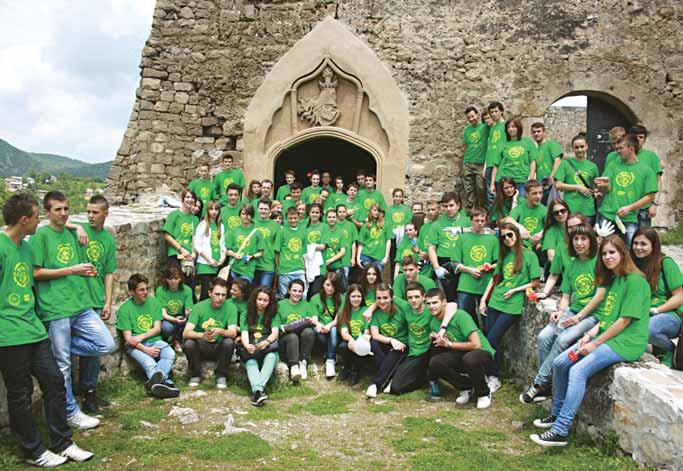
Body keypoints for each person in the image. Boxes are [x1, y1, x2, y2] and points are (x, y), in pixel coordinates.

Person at [0, 193, 94, 467]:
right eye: (36, 216)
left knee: (54, 381)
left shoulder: (27, 248)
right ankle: (33, 450)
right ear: (24, 220)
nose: (39, 220)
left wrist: (76, 226)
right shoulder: (2, 247)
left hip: (34, 328)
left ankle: (62, 442)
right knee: (20, 393)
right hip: (9, 334)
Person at [531, 235, 650, 447]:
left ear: (623, 253)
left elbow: (623, 322)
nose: (607, 257)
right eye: (604, 253)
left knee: (578, 371)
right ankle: (556, 414)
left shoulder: (636, 281)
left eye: (612, 252)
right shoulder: (615, 279)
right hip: (607, 336)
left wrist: (594, 344)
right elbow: (608, 317)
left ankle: (560, 430)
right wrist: (589, 335)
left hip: (626, 342)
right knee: (560, 363)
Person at [30, 191, 115, 430]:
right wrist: (72, 270)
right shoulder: (40, 236)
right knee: (64, 366)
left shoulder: (71, 231)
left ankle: (61, 349)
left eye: (67, 208)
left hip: (80, 305)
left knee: (105, 344)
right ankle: (70, 412)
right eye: (58, 209)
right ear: (47, 212)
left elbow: (77, 225)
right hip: (56, 308)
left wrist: (77, 227)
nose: (64, 213)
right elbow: (35, 273)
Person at [520, 224, 601, 404]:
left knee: (563, 339)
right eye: (576, 239)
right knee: (544, 336)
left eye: (583, 239)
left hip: (592, 315)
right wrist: (561, 311)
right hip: (572, 310)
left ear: (591, 241)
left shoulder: (598, 262)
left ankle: (539, 383)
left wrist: (578, 317)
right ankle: (546, 386)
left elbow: (599, 297)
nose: (579, 243)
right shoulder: (572, 264)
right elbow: (566, 295)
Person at [479, 223, 541, 393]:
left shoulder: (529, 256)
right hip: (495, 301)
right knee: (489, 339)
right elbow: (495, 279)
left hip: (512, 305)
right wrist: (484, 300)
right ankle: (491, 373)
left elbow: (535, 282)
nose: (507, 239)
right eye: (503, 236)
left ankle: (495, 376)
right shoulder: (504, 256)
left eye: (510, 235)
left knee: (492, 338)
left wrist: (515, 289)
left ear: (517, 235)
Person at [71, 195, 116, 413]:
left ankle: (89, 392)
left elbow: (109, 272)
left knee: (94, 351)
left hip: (96, 299)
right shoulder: (78, 229)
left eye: (95, 212)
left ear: (105, 213)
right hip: (76, 299)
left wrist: (108, 301)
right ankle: (72, 395)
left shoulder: (107, 239)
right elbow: (55, 222)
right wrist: (76, 227)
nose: (90, 216)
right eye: (88, 211)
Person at [426, 288, 495, 408]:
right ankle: (465, 387)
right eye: (428, 303)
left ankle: (484, 393)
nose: (432, 306)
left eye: (435, 302)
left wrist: (449, 344)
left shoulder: (461, 316)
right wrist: (435, 338)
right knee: (436, 362)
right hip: (461, 353)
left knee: (470, 359)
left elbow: (476, 345)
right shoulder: (434, 322)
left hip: (481, 352)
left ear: (443, 302)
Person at [117, 274, 179, 399]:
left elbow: (157, 329)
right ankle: (166, 383)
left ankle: (154, 384)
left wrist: (140, 337)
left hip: (154, 340)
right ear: (132, 292)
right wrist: (146, 350)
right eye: (141, 290)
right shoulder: (124, 309)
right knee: (149, 363)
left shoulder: (153, 302)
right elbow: (128, 339)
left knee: (170, 353)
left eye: (146, 289)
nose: (145, 292)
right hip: (135, 347)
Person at [630, 227, 683, 367]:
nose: (638, 248)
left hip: (670, 313)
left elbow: (679, 296)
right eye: (635, 243)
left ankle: (669, 349)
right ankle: (656, 347)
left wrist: (657, 310)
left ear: (653, 246)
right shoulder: (632, 265)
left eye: (643, 244)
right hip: (643, 313)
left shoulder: (666, 263)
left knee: (647, 330)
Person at [595, 134, 657, 246]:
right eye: (617, 148)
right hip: (608, 214)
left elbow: (650, 196)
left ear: (631, 149)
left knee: (630, 251)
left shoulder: (646, 170)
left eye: (621, 148)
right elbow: (607, 189)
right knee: (603, 249)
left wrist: (630, 208)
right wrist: (604, 186)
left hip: (630, 217)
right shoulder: (613, 165)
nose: (617, 151)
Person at [182, 278, 238, 389]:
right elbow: (186, 333)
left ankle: (221, 375)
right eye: (217, 294)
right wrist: (202, 335)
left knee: (229, 342)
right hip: (202, 345)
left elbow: (233, 333)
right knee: (188, 343)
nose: (220, 298)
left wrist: (220, 331)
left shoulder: (231, 307)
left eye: (223, 295)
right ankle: (196, 374)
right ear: (209, 293)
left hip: (219, 346)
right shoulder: (198, 307)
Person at [389, 283, 442, 395]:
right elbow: (387, 295)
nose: (413, 300)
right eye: (410, 297)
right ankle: (423, 378)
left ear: (423, 297)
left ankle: (433, 380)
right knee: (396, 388)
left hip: (429, 351)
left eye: (417, 297)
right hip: (413, 353)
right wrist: (370, 310)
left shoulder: (431, 309)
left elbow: (452, 306)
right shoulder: (406, 307)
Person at [452, 207, 498, 326]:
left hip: (486, 285)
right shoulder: (462, 238)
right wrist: (470, 270)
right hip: (466, 285)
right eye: (476, 220)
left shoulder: (492, 240)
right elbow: (454, 263)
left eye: (482, 220)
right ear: (471, 220)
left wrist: (489, 266)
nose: (480, 223)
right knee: (465, 319)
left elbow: (499, 263)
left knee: (487, 321)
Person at [366, 283, 410, 398]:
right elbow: (375, 335)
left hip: (402, 344)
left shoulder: (401, 310)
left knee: (395, 351)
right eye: (379, 298)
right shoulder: (376, 313)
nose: (382, 301)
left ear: (391, 298)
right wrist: (391, 340)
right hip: (387, 342)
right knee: (373, 343)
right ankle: (391, 376)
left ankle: (375, 384)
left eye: (385, 298)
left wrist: (396, 342)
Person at [239, 287, 281, 406]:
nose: (262, 303)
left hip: (267, 347)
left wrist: (267, 341)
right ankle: (259, 391)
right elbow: (244, 332)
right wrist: (247, 345)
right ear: (254, 299)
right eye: (259, 299)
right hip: (251, 347)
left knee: (271, 356)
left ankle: (257, 391)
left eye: (265, 300)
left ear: (270, 302)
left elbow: (275, 333)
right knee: (250, 361)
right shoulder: (246, 314)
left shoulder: (273, 314)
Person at [428, 192, 471, 301]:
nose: (448, 209)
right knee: (447, 300)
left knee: (464, 300)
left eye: (451, 205)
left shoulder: (467, 221)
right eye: (445, 206)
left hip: (463, 262)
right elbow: (431, 248)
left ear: (458, 205)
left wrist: (462, 230)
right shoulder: (436, 224)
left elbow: (480, 232)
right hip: (444, 263)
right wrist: (437, 267)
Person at [554, 135, 599, 224]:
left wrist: (597, 193)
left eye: (582, 147)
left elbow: (595, 187)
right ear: (573, 149)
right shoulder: (565, 163)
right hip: (571, 209)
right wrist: (578, 187)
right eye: (576, 147)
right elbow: (558, 185)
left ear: (586, 146)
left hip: (588, 209)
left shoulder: (593, 166)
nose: (579, 150)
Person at [277, 279, 315, 382]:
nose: (297, 293)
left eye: (300, 291)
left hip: (302, 341)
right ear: (289, 291)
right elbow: (277, 327)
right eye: (294, 290)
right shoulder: (280, 305)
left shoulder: (306, 304)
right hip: (286, 341)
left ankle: (303, 362)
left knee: (309, 331)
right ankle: (294, 366)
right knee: (292, 336)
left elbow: (312, 321)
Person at [491, 116, 538, 197]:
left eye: (513, 126)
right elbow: (496, 165)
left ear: (518, 128)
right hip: (506, 181)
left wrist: (531, 178)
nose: (510, 129)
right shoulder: (502, 144)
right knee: (505, 206)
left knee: (521, 204)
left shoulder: (527, 142)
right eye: (508, 127)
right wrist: (492, 183)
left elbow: (532, 162)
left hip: (522, 180)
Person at [310, 272, 343, 378]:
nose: (330, 288)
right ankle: (331, 353)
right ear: (323, 285)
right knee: (315, 330)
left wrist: (329, 326)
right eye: (327, 285)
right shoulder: (315, 298)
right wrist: (320, 325)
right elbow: (314, 318)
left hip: (335, 328)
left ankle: (330, 360)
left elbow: (339, 318)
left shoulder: (342, 298)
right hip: (321, 328)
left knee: (333, 330)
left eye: (333, 285)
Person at [630, 124, 663, 227]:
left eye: (641, 137)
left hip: (645, 207)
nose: (638, 139)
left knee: (644, 238)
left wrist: (654, 204)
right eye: (636, 137)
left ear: (644, 139)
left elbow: (658, 181)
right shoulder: (624, 155)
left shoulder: (651, 156)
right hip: (627, 205)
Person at [337, 284, 370, 385]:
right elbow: (344, 332)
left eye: (359, 296)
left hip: (363, 341)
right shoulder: (345, 312)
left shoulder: (366, 311)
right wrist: (351, 340)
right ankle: (346, 368)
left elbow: (367, 331)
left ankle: (356, 372)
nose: (356, 299)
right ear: (348, 297)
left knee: (360, 348)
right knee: (343, 346)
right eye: (353, 296)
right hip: (350, 341)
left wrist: (360, 342)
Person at [194, 200, 227, 300]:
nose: (214, 212)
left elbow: (222, 245)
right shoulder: (202, 225)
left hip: (216, 264)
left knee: (215, 293)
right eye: (211, 209)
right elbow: (197, 245)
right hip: (205, 264)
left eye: (216, 209)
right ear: (207, 211)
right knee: (205, 293)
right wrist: (209, 260)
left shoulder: (221, 226)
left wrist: (222, 258)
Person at [157, 266, 194, 351]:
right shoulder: (160, 291)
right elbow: (163, 313)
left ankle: (178, 340)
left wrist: (188, 313)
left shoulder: (187, 290)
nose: (173, 281)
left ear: (180, 279)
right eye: (170, 278)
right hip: (167, 318)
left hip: (181, 316)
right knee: (167, 328)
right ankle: (170, 340)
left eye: (176, 278)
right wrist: (174, 319)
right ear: (166, 279)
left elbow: (188, 309)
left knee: (190, 324)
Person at [225, 204, 264, 284]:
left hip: (248, 269)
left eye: (248, 214)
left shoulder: (257, 232)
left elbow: (261, 252)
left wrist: (252, 256)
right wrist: (234, 254)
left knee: (243, 291)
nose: (246, 216)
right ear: (239, 215)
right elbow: (227, 250)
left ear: (252, 216)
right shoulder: (233, 231)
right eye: (243, 214)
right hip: (234, 267)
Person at [275, 207, 307, 298]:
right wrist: (278, 268)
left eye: (295, 218)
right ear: (286, 219)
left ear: (298, 218)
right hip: (285, 270)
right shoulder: (282, 232)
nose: (293, 220)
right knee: (284, 296)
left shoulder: (303, 232)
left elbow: (304, 253)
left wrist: (305, 268)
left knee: (302, 296)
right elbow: (277, 252)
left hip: (299, 268)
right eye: (290, 218)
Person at [505, 179, 547, 250]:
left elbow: (552, 225)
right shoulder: (520, 208)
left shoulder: (544, 210)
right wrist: (519, 227)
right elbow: (508, 220)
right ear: (526, 194)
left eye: (540, 193)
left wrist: (541, 234)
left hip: (539, 246)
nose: (538, 196)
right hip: (522, 247)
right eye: (534, 193)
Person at [461, 106, 489, 210]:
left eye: (472, 116)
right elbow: (465, 146)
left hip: (480, 163)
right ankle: (471, 211)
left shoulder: (485, 127)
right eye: (469, 118)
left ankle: (481, 209)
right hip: (468, 163)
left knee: (481, 188)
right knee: (468, 189)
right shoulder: (467, 130)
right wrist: (463, 163)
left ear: (477, 115)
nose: (471, 119)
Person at [162, 189, 199, 268]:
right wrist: (181, 249)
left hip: (190, 256)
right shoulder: (174, 215)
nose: (190, 200)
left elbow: (196, 238)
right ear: (182, 199)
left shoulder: (195, 219)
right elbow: (166, 235)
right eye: (187, 197)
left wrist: (194, 253)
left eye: (192, 198)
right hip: (176, 254)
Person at [530, 122, 563, 205]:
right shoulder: (536, 149)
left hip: (551, 183)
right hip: (541, 184)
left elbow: (557, 160)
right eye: (534, 132)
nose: (536, 134)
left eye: (538, 131)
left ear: (544, 133)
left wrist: (552, 176)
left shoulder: (551, 144)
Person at [483, 101, 507, 205]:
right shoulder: (492, 128)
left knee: (502, 192)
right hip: (489, 164)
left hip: (500, 164)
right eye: (491, 112)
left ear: (501, 111)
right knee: (490, 194)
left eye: (496, 111)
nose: (493, 114)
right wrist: (485, 166)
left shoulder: (506, 126)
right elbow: (489, 148)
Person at [319, 207, 349, 289]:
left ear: (336, 218)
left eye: (333, 217)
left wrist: (330, 260)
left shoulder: (341, 232)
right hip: (323, 267)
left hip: (337, 266)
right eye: (329, 217)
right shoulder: (322, 230)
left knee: (341, 289)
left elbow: (343, 252)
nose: (331, 219)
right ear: (326, 218)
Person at [254, 199, 279, 289]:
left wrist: (277, 266)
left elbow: (277, 247)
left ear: (270, 211)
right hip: (253, 265)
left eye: (265, 209)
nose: (263, 211)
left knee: (264, 293)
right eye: (261, 208)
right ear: (257, 209)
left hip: (268, 265)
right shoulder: (253, 223)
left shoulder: (275, 225)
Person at [358, 203, 391, 272]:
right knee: (367, 276)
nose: (376, 212)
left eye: (378, 211)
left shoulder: (386, 224)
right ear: (371, 211)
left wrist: (386, 256)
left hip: (379, 256)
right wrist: (358, 258)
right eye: (374, 210)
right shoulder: (366, 225)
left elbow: (388, 241)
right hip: (366, 255)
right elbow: (361, 243)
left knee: (376, 276)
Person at [539, 199, 570, 269]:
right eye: (556, 213)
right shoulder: (551, 231)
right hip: (560, 269)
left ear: (567, 210)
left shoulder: (575, 224)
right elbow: (551, 257)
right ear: (552, 215)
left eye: (563, 211)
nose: (560, 214)